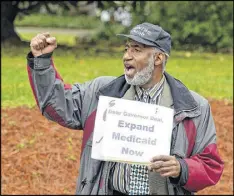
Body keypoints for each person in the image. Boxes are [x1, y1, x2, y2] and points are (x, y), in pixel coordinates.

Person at [26, 22, 224, 195]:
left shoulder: (194, 107)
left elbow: (210, 166)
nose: (126, 57)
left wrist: (181, 168)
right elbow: (57, 105)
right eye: (127, 49)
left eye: (136, 50)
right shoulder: (102, 92)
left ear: (158, 58)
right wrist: (42, 62)